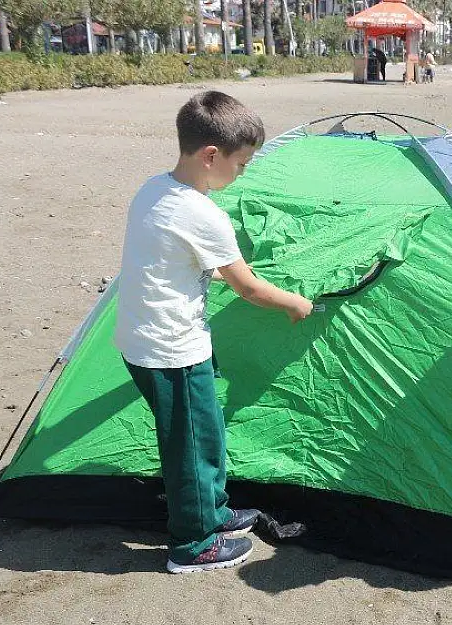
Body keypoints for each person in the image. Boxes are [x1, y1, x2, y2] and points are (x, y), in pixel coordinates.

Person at [114, 91, 314, 574]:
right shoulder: (204, 214)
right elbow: (246, 287)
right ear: (211, 156)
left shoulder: (153, 189)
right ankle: (193, 543)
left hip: (143, 342)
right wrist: (293, 302)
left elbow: (176, 255)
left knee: (204, 432)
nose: (242, 173)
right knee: (189, 447)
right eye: (241, 164)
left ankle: (214, 512)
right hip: (171, 349)